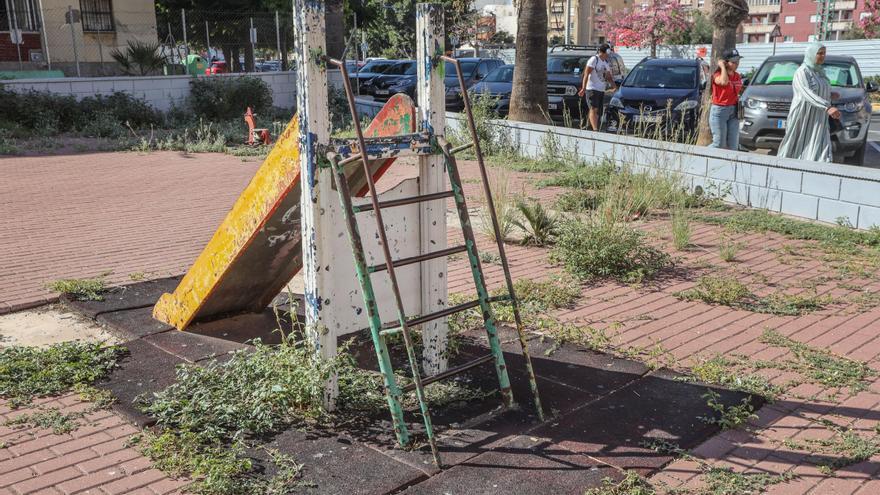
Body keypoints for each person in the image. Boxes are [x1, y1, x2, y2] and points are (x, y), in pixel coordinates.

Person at [777, 43, 840, 163]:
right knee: (797, 146)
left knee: (819, 144)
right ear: (811, 54)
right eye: (819, 53)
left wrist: (829, 94)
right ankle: (785, 170)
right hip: (804, 116)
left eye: (824, 53)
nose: (822, 56)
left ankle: (818, 170)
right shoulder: (802, 72)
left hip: (818, 117)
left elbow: (817, 90)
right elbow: (806, 93)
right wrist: (827, 107)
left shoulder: (819, 72)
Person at [708, 49, 744, 150]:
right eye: (734, 62)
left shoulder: (737, 76)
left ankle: (729, 165)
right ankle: (698, 157)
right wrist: (722, 67)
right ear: (726, 62)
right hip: (719, 111)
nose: (737, 64)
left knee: (733, 146)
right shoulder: (717, 75)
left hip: (733, 111)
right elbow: (724, 82)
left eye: (738, 61)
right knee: (719, 144)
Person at [578, 44, 617, 131]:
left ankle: (588, 126)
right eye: (608, 52)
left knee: (598, 111)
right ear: (604, 52)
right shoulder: (594, 60)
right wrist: (583, 88)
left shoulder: (605, 62)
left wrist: (614, 86)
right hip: (592, 88)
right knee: (593, 108)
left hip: (601, 89)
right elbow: (586, 74)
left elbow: (608, 76)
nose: (608, 54)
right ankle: (595, 129)